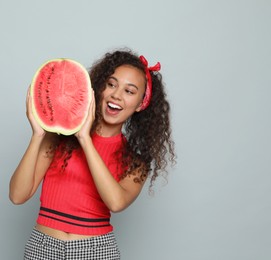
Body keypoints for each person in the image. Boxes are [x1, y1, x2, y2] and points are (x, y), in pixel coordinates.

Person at [9, 48, 176, 260]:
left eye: (129, 91)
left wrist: (85, 139)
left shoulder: (136, 162)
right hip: (43, 246)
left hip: (96, 250)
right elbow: (17, 195)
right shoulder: (58, 136)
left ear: (141, 103)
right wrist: (38, 135)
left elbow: (116, 202)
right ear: (99, 87)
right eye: (111, 84)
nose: (116, 95)